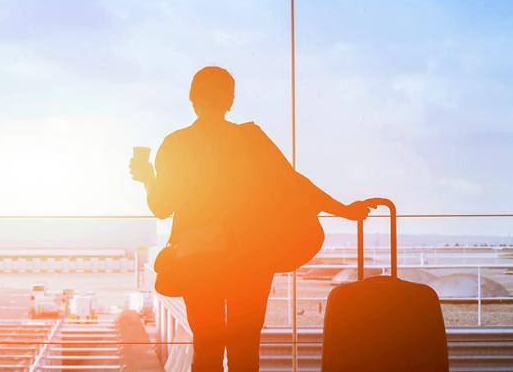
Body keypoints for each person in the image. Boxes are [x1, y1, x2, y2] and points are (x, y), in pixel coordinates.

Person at [129, 66, 369, 371]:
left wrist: (148, 178)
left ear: (192, 98)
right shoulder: (252, 140)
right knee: (245, 351)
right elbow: (296, 184)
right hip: (251, 259)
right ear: (230, 100)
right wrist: (344, 210)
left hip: (199, 259)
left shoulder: (177, 144)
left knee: (207, 349)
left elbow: (161, 207)